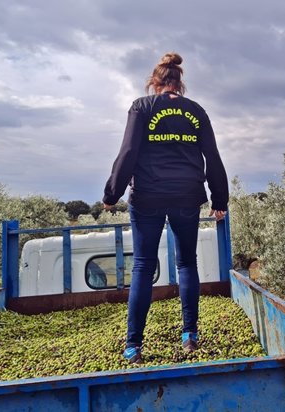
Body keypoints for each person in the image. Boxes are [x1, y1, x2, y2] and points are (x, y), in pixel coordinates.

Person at [102, 52, 229, 364]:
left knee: (143, 266)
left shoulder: (142, 107)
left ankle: (133, 346)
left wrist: (112, 193)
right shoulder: (196, 111)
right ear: (178, 83)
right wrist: (220, 200)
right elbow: (212, 156)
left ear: (154, 82)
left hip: (148, 195)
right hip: (187, 194)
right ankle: (190, 335)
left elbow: (129, 151)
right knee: (187, 263)